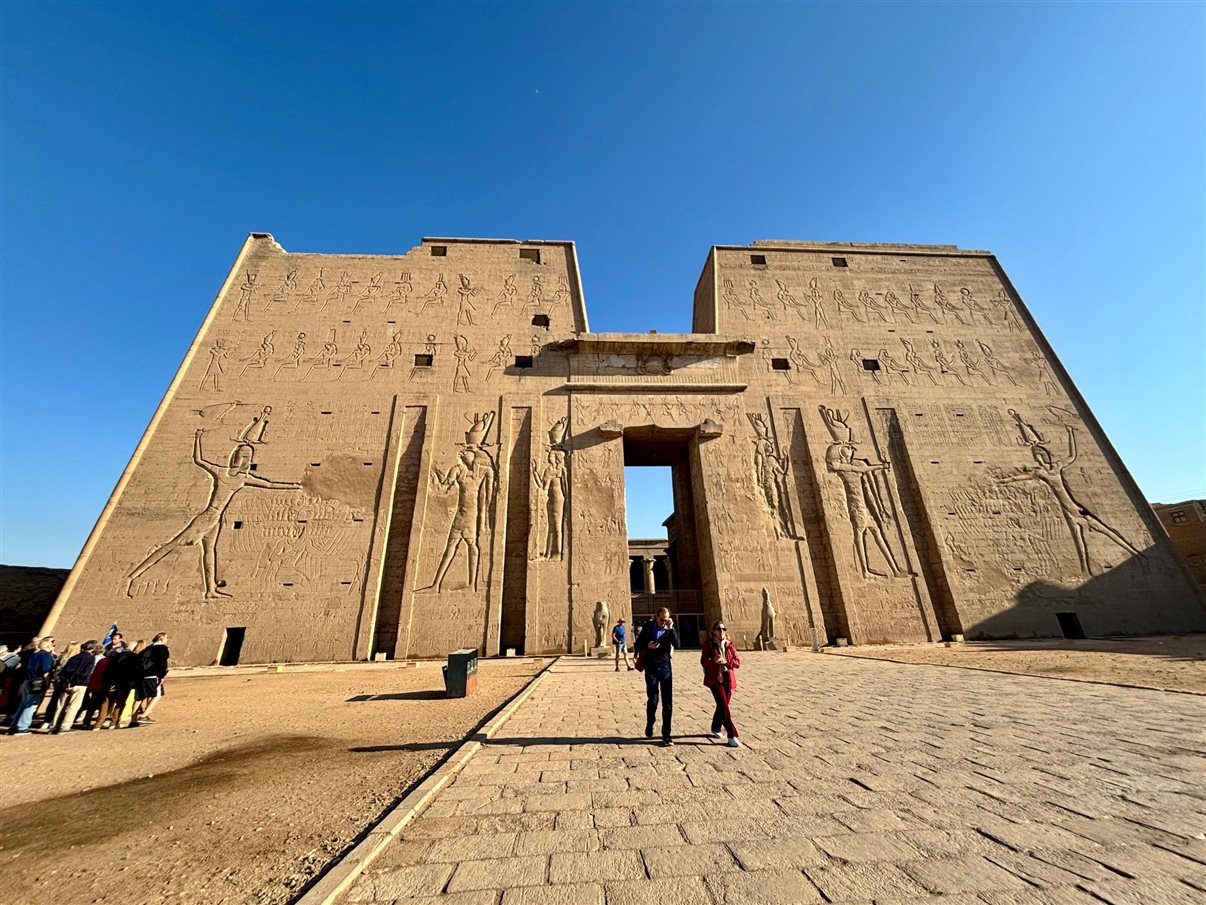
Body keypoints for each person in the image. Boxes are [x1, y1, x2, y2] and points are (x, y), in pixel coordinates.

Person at [634, 608, 680, 746]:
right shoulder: (648, 627)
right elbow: (638, 644)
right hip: (651, 668)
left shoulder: (670, 628)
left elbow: (677, 644)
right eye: (661, 620)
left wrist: (671, 629)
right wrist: (648, 646)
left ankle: (666, 735)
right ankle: (650, 722)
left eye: (666, 620)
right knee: (653, 699)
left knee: (668, 703)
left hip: (665, 668)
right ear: (656, 617)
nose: (663, 622)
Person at [701, 621, 742, 747]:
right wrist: (714, 661)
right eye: (719, 629)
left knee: (722, 705)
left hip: (727, 677)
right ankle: (732, 734)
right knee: (724, 706)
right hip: (715, 678)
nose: (721, 631)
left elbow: (737, 662)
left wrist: (726, 662)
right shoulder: (709, 644)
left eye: (724, 629)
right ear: (713, 631)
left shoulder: (730, 645)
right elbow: (703, 661)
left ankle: (716, 727)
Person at [7, 637, 55, 734]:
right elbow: (45, 670)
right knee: (30, 706)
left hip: (27, 681)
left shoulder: (34, 655)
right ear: (48, 646)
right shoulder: (45, 656)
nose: (53, 646)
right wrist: (46, 682)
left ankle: (14, 726)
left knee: (23, 704)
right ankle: (22, 727)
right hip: (37, 681)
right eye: (52, 644)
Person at [50, 640, 98, 733]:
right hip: (79, 684)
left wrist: (67, 682)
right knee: (73, 706)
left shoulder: (74, 657)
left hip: (66, 684)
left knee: (61, 706)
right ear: (92, 648)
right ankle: (65, 727)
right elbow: (85, 672)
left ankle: (55, 726)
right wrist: (75, 683)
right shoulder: (90, 658)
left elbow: (64, 671)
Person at [132, 633, 170, 726]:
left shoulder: (146, 649)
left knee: (139, 697)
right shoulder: (162, 649)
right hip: (152, 675)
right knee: (157, 694)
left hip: (141, 676)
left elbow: (137, 662)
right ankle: (143, 716)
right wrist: (162, 676)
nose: (167, 640)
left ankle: (133, 720)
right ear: (161, 638)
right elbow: (162, 663)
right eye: (166, 638)